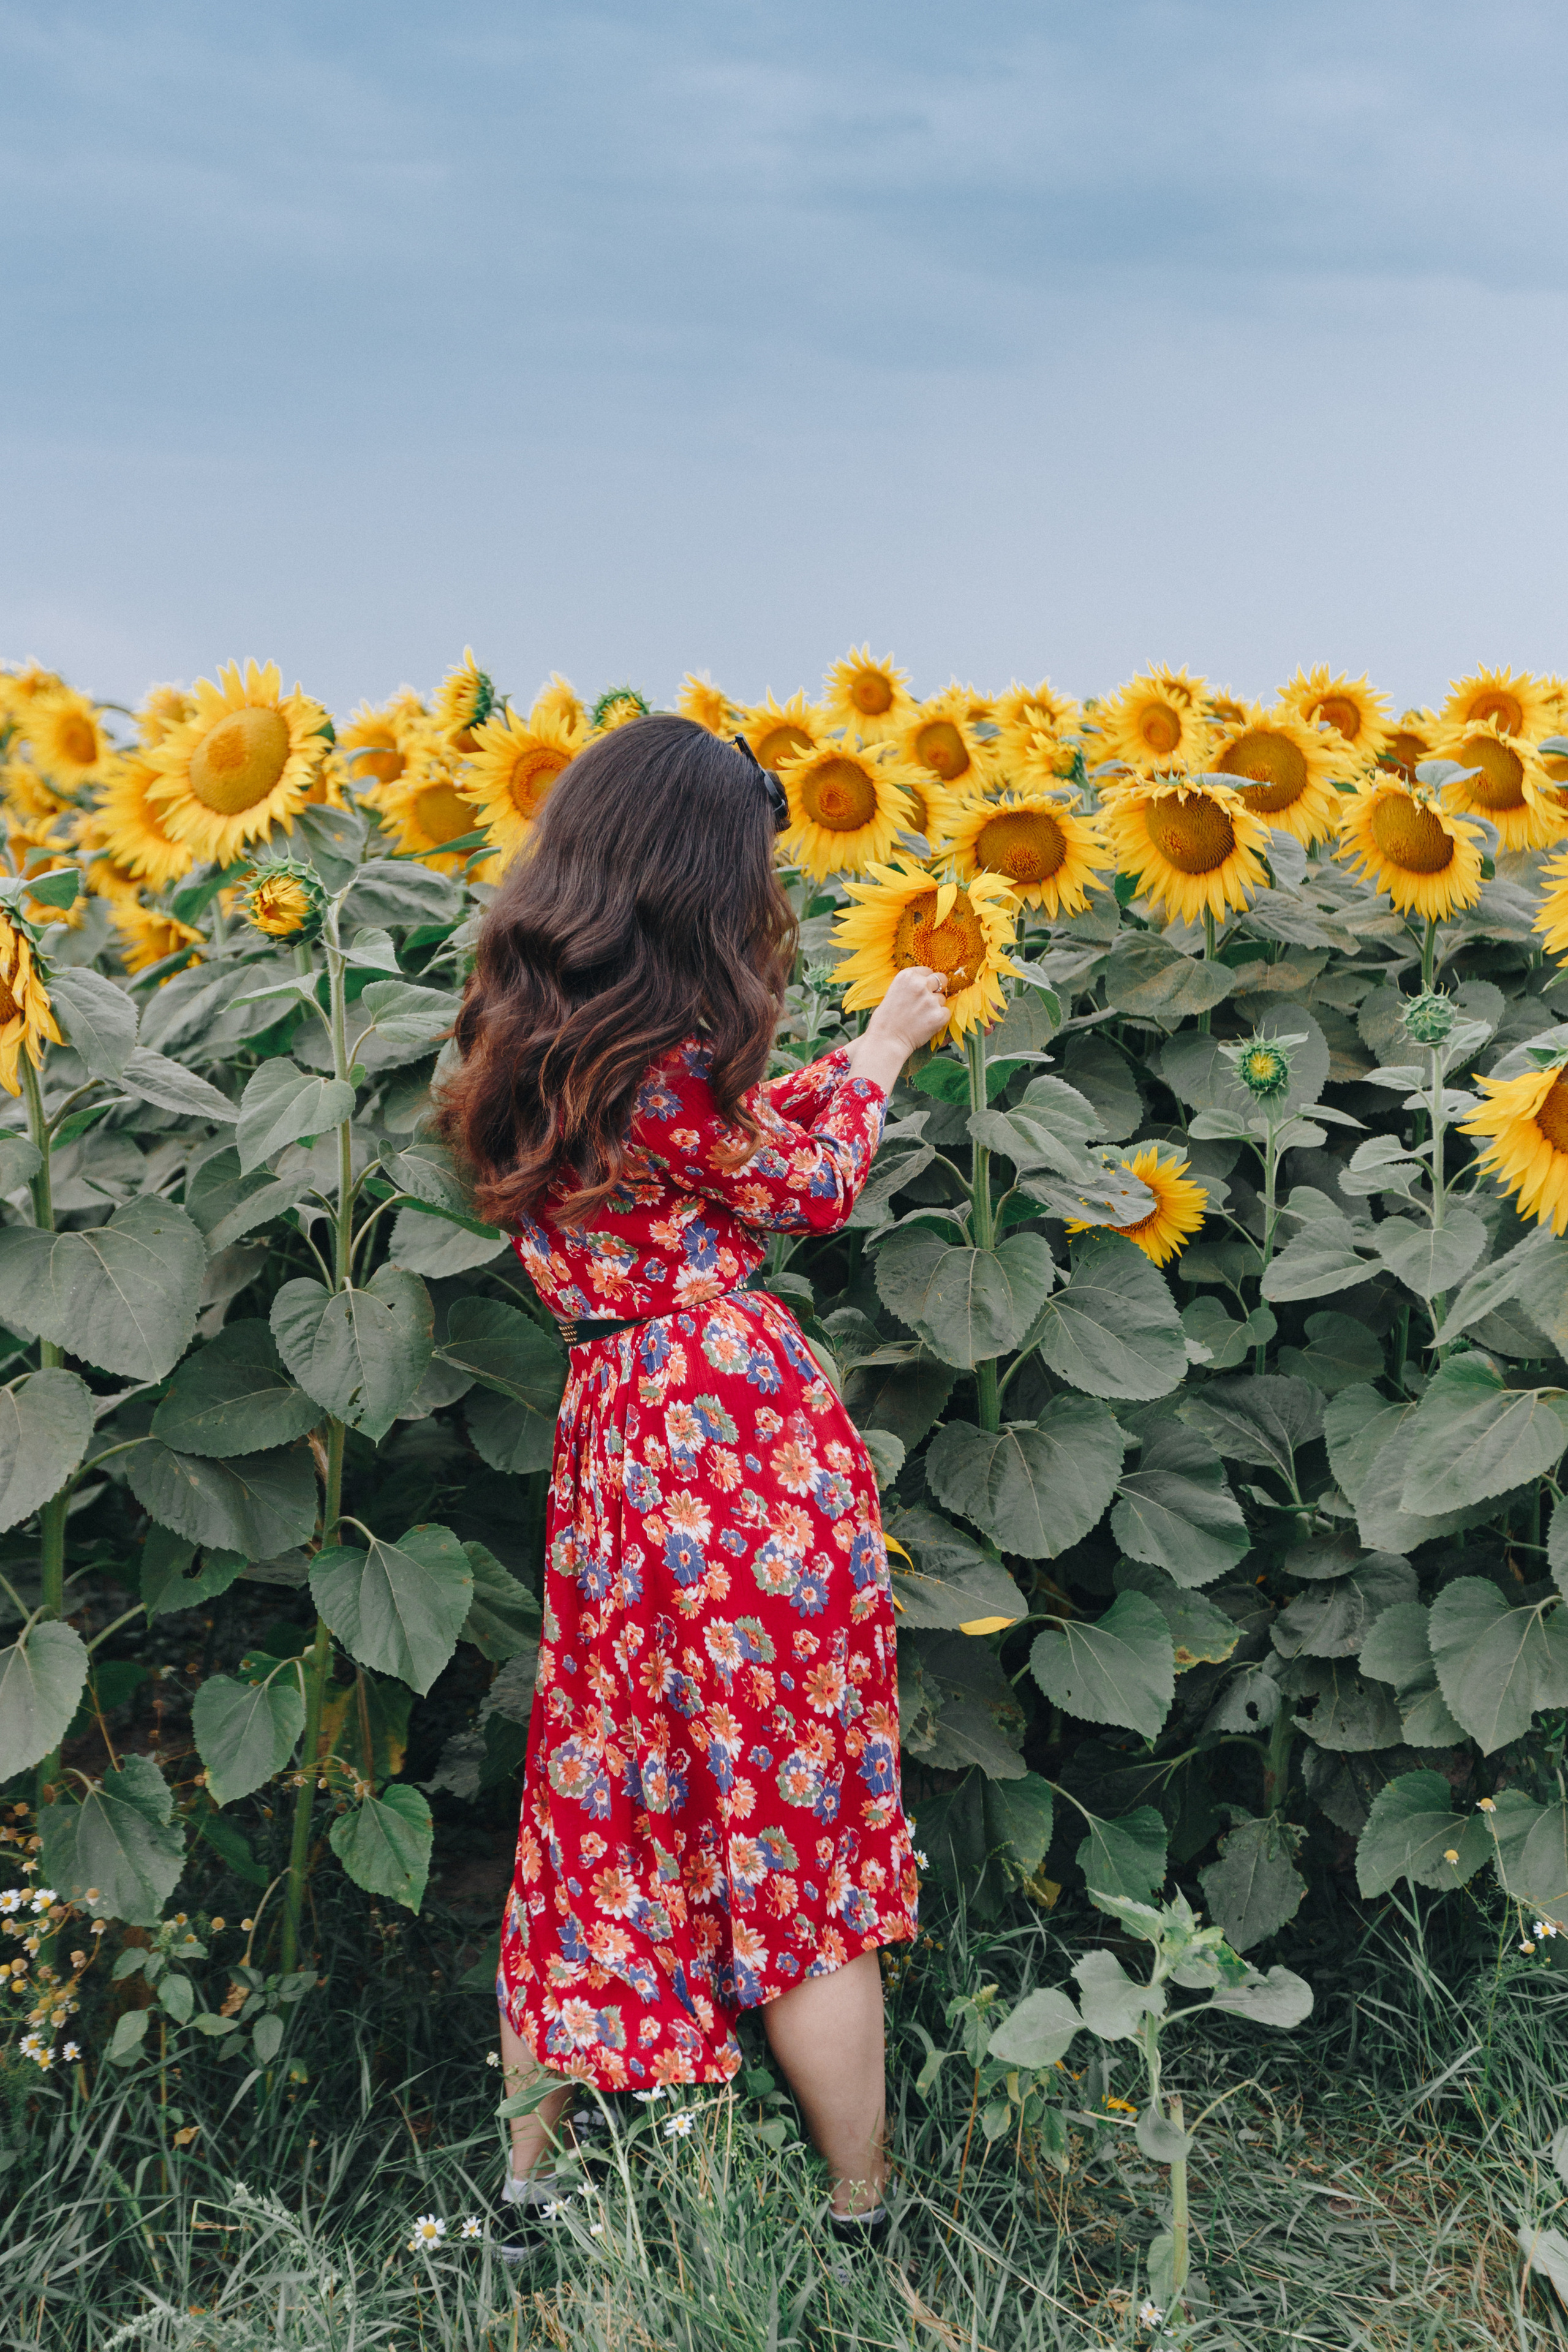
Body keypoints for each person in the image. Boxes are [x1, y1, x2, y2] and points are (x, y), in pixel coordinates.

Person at [437, 713, 950, 2241]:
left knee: (599, 1800)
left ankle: (524, 2195)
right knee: (791, 1813)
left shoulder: (525, 1033)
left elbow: (706, 1152)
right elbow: (795, 1184)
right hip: (729, 1435)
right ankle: (862, 2209)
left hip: (613, 1450)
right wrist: (883, 1047)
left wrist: (821, 1074)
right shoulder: (663, 1054)